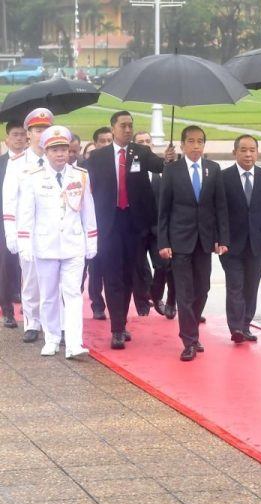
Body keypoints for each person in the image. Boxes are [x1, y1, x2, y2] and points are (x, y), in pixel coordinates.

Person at [87, 111, 173, 350]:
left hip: (135, 226)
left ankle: (121, 323)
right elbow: (81, 179)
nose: (127, 129)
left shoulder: (140, 153)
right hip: (109, 225)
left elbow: (160, 166)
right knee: (112, 276)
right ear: (112, 128)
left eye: (130, 126)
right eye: (123, 126)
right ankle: (116, 329)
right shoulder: (98, 157)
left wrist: (168, 159)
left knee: (128, 277)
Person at [17, 126, 96, 359]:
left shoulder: (80, 175)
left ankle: (73, 343)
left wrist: (91, 241)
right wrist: (25, 243)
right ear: (46, 152)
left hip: (73, 244)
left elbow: (88, 211)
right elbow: (26, 214)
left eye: (64, 149)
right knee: (49, 295)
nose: (61, 154)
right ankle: (51, 338)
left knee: (73, 293)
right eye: (55, 150)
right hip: (46, 245)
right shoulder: (33, 178)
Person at [157, 125, 228, 362]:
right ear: (182, 145)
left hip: (205, 241)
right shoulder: (172, 171)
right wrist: (163, 241)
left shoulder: (213, 169)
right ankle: (189, 340)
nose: (195, 146)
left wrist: (222, 238)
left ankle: (192, 330)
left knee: (202, 289)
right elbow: (163, 210)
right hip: (179, 241)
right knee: (185, 293)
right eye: (191, 141)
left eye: (200, 141)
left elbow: (220, 207)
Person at [3, 108, 54, 344]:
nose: (42, 134)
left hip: (54, 230)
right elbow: (9, 200)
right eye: (37, 130)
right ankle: (33, 322)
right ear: (29, 134)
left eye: (46, 129)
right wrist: (11, 233)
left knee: (54, 281)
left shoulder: (57, 158)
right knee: (31, 279)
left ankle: (54, 324)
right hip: (28, 231)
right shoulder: (17, 163)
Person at [220, 135, 261, 343]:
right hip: (231, 245)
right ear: (234, 152)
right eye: (243, 150)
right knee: (235, 285)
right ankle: (235, 327)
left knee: (251, 286)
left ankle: (245, 324)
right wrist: (220, 240)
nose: (248, 154)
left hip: (257, 243)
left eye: (252, 150)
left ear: (257, 152)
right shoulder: (224, 177)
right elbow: (220, 211)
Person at [131, 130, 173, 318]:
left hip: (158, 229)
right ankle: (142, 304)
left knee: (163, 265)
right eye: (140, 141)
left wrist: (170, 161)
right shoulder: (132, 168)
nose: (145, 144)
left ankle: (156, 295)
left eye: (148, 141)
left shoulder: (162, 169)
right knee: (139, 269)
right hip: (137, 228)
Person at [84, 125, 115, 320]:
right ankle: (97, 303)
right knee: (95, 266)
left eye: (109, 141)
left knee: (112, 268)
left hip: (113, 222)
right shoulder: (86, 167)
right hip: (93, 222)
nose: (105, 144)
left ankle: (116, 307)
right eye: (102, 141)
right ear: (95, 144)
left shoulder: (118, 163)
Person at [0, 120, 26, 329]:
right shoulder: (2, 164)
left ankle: (30, 309)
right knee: (5, 266)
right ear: (7, 139)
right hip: (5, 222)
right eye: (15, 134)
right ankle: (7, 310)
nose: (19, 138)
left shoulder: (34, 162)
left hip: (29, 220)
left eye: (22, 134)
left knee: (29, 265)